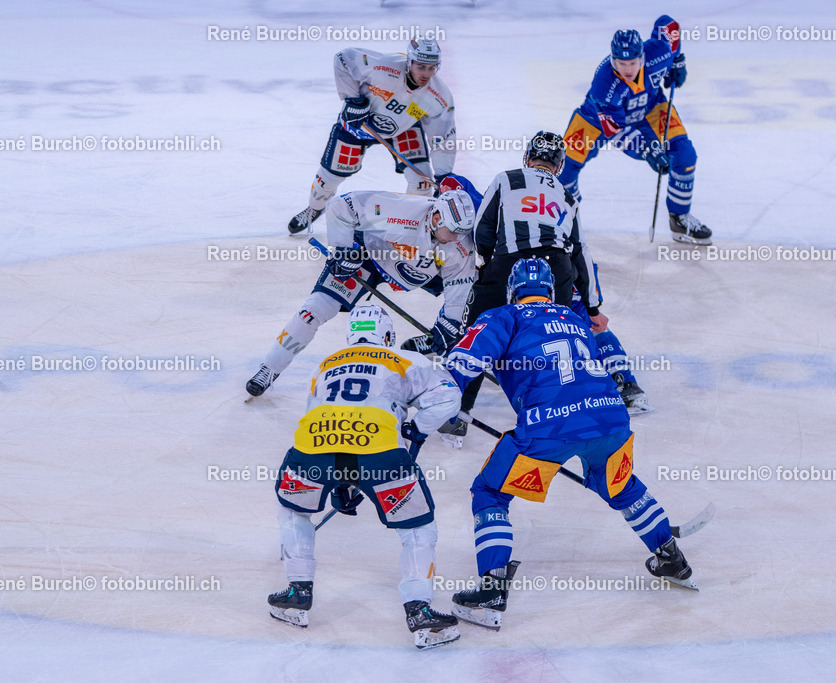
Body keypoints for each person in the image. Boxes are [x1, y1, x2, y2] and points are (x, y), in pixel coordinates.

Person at [442, 259, 695, 631]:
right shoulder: (574, 318)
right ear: (550, 290)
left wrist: (439, 402)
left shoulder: (503, 316)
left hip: (550, 425)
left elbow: (463, 362)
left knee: (490, 492)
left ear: (512, 291)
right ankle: (672, 559)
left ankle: (492, 589)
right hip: (609, 417)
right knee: (622, 486)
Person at [267, 305, 462, 649]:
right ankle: (418, 608)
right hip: (380, 450)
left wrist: (342, 480)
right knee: (417, 527)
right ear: (387, 336)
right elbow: (449, 397)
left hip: (312, 447)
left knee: (294, 509)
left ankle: (298, 590)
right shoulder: (406, 359)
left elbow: (324, 414)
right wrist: (416, 430)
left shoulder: (325, 364)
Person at [441, 131, 609, 441]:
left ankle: (456, 413)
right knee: (548, 338)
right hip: (556, 272)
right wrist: (593, 307)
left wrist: (487, 264)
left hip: (509, 263)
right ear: (559, 165)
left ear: (528, 157)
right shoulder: (567, 196)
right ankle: (556, 415)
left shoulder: (506, 178)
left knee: (477, 331)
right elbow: (581, 253)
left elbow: (483, 227)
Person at [246, 188, 476, 397]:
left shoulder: (459, 244)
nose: (458, 238)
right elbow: (340, 206)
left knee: (473, 294)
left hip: (419, 269)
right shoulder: (400, 209)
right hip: (367, 257)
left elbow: (460, 285)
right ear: (436, 218)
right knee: (314, 310)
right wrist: (344, 250)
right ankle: (270, 367)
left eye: (462, 232)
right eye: (453, 231)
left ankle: (447, 345)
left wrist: (450, 323)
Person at [558, 16, 713, 245]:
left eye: (632, 62)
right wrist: (648, 151)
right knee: (564, 166)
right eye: (621, 63)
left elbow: (668, 25)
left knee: (685, 155)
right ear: (613, 60)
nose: (627, 69)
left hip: (650, 108)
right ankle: (563, 221)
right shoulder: (604, 84)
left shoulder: (659, 53)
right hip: (596, 119)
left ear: (642, 57)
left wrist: (677, 60)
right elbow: (617, 132)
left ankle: (679, 218)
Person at [287, 38, 457, 235]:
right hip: (359, 125)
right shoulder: (385, 67)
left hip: (403, 128)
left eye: (432, 68)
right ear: (409, 62)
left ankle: (411, 227)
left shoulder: (439, 96)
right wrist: (353, 100)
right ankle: (314, 208)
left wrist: (443, 175)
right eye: (421, 67)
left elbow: (442, 137)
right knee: (327, 181)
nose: (426, 74)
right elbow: (343, 59)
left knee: (423, 181)